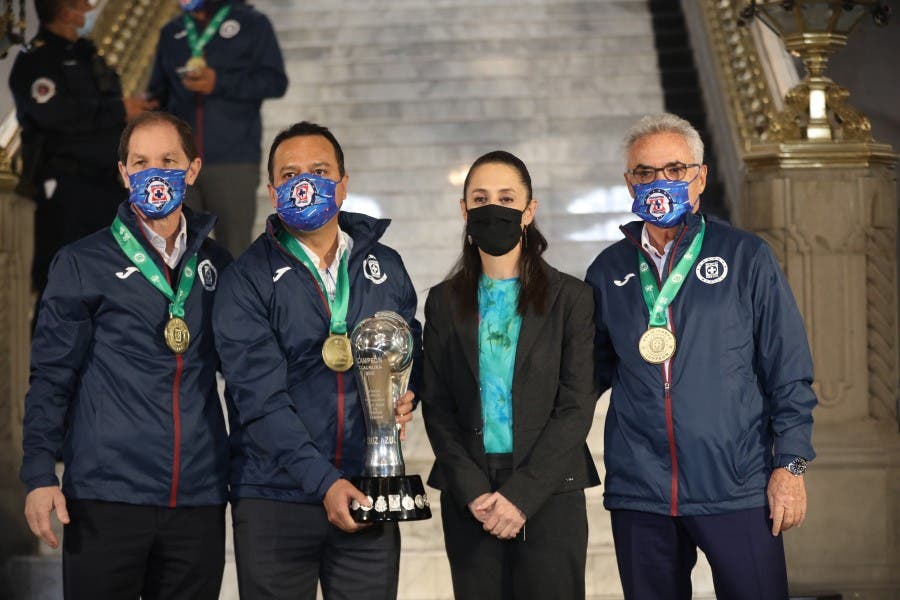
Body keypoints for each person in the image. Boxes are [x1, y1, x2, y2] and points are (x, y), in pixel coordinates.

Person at [585, 113, 817, 600]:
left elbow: (788, 370)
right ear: (629, 182)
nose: (660, 182)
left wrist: (790, 466)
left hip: (736, 483)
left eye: (675, 169)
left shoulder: (746, 257)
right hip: (641, 488)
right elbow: (584, 375)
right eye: (645, 173)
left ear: (700, 177)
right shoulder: (608, 270)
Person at [20, 111, 231, 600]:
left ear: (193, 169)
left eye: (168, 160)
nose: (153, 173)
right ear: (123, 174)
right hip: (105, 497)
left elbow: (248, 373)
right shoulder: (81, 262)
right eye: (140, 162)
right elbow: (51, 377)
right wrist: (37, 473)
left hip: (196, 498)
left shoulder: (218, 265)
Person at [212, 121, 422, 599]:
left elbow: (411, 340)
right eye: (290, 175)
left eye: (319, 170)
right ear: (271, 191)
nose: (304, 183)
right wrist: (324, 482)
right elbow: (257, 399)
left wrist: (410, 390)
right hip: (274, 497)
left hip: (369, 485)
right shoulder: (245, 279)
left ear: (343, 184)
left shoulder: (384, 264)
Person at [421, 150, 600, 599]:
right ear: (464, 211)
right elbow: (438, 405)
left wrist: (521, 495)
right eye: (480, 198)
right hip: (472, 498)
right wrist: (472, 490)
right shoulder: (442, 301)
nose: (492, 207)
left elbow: (576, 406)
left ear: (529, 210)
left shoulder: (571, 298)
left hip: (550, 492)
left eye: (506, 197)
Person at [9, 0, 151, 311]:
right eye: (80, 5)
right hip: (67, 189)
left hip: (107, 186)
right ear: (64, 11)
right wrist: (117, 110)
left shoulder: (87, 53)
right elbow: (52, 114)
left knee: (114, 282)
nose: (87, 10)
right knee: (65, 285)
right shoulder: (37, 60)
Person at [147, 0, 288, 258]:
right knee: (176, 251)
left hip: (233, 159)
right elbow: (159, 92)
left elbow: (275, 82)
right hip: (179, 164)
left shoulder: (251, 23)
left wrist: (219, 82)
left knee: (234, 251)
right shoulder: (172, 31)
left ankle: (237, 300)